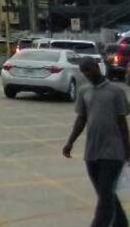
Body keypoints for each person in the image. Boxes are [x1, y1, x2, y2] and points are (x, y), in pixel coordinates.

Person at [63, 59, 130, 227]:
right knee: (105, 193)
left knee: (106, 196)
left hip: (114, 152)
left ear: (97, 67)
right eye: (83, 71)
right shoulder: (84, 91)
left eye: (88, 69)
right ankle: (121, 223)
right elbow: (81, 119)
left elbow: (122, 122)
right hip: (92, 152)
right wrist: (70, 142)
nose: (87, 73)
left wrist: (127, 150)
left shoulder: (116, 91)